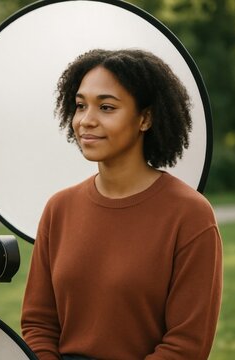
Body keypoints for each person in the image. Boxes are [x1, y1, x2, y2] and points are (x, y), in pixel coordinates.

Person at [21, 49, 222, 360]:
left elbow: (187, 345)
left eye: (106, 107)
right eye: (80, 106)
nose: (86, 121)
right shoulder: (59, 208)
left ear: (145, 118)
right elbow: (38, 324)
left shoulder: (190, 215)